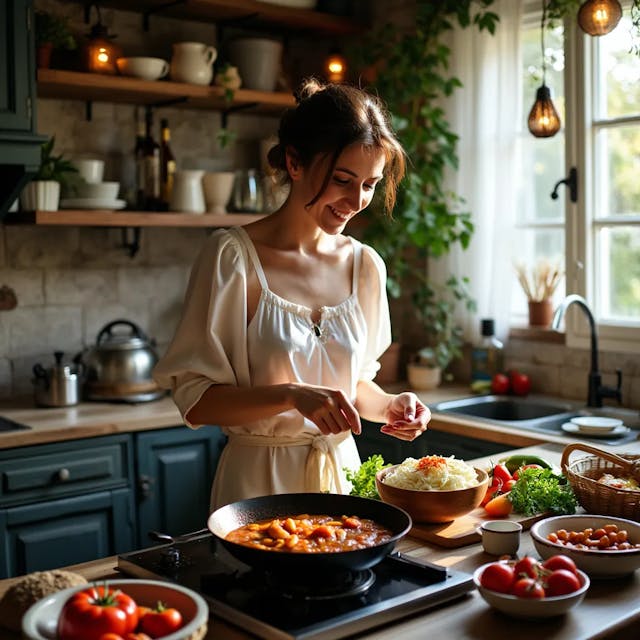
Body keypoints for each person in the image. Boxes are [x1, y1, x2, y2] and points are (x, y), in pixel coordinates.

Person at [153, 78, 431, 509]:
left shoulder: (366, 267)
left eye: (370, 184)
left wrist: (392, 405)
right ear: (295, 162)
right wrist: (290, 395)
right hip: (257, 489)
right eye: (343, 179)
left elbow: (355, 387)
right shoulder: (232, 258)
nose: (357, 200)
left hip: (342, 479)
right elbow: (197, 402)